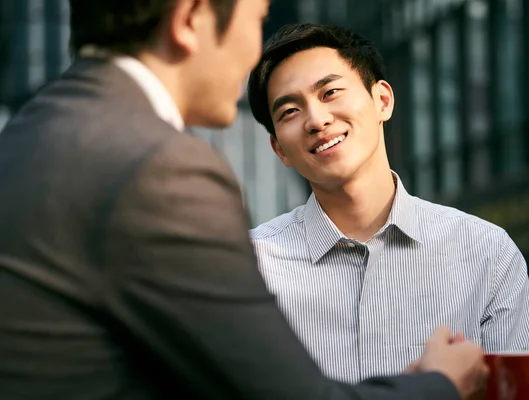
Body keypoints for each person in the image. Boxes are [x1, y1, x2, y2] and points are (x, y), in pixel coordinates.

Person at [0, 1, 488, 399]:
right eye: (256, 20)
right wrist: (439, 384)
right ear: (191, 19)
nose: (255, 53)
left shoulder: (29, 134)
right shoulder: (160, 167)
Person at [247, 23, 529, 384]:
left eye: (330, 92)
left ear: (382, 101)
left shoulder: (486, 252)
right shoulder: (250, 268)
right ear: (280, 150)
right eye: (290, 111)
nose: (317, 120)